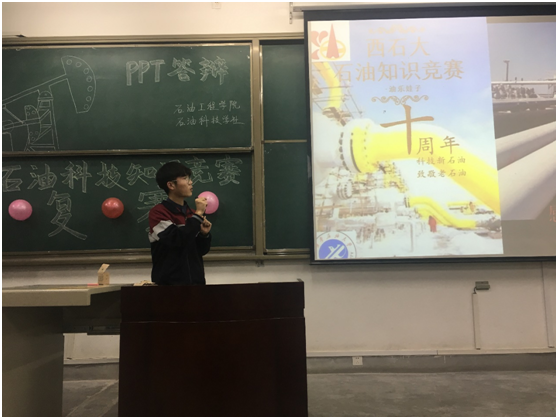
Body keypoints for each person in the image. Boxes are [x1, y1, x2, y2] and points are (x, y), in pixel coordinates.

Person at [148, 162, 212, 285]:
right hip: (169, 286)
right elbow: (176, 239)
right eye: (185, 178)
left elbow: (201, 250)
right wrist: (198, 214)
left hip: (196, 283)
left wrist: (204, 235)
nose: (190, 182)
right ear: (171, 185)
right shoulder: (158, 213)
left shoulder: (191, 214)